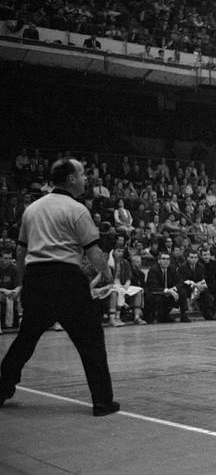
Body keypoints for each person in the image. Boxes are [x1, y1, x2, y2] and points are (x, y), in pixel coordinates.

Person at [0, 158, 119, 416]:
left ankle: (2, 387)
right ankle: (102, 401)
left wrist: (24, 282)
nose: (86, 178)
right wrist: (107, 273)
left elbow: (21, 252)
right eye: (82, 174)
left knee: (26, 338)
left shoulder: (33, 209)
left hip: (36, 277)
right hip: (66, 279)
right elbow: (94, 252)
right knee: (91, 341)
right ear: (71, 179)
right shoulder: (76, 210)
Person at [0, 249, 21, 333]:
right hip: (2, 292)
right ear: (0, 258)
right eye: (5, 258)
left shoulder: (13, 268)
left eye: (9, 258)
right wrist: (4, 290)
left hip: (9, 293)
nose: (8, 260)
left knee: (21, 295)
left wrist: (15, 291)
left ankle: (20, 320)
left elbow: (18, 285)